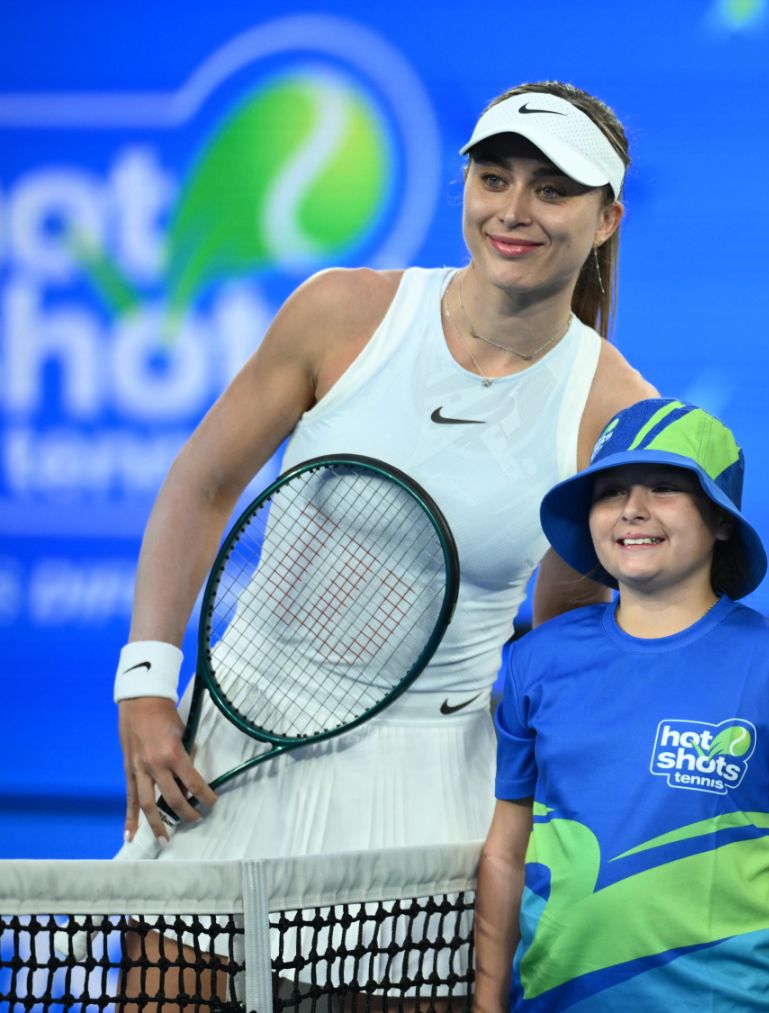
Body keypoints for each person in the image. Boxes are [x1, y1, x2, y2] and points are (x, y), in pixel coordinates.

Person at [113, 80, 656, 855]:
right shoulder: (338, 313)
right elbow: (203, 485)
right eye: (493, 177)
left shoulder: (619, 417)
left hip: (431, 784)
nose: (513, 210)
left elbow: (563, 632)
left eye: (553, 190)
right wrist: (143, 681)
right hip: (229, 734)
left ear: (606, 220)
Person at [475, 398, 769, 1012]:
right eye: (610, 492)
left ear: (720, 521)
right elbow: (507, 848)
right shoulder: (537, 660)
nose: (633, 509)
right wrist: (485, 1003)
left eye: (663, 488)